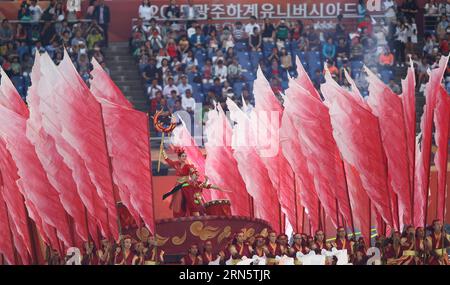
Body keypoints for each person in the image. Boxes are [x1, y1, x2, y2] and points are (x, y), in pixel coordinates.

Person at [162, 147, 196, 217]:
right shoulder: (176, 164)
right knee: (178, 201)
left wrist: (192, 179)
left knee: (190, 201)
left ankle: (193, 215)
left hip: (186, 185)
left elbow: (194, 173)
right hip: (178, 185)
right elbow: (168, 160)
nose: (184, 157)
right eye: (183, 156)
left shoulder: (188, 166)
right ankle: (179, 216)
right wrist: (162, 152)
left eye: (185, 156)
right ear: (179, 157)